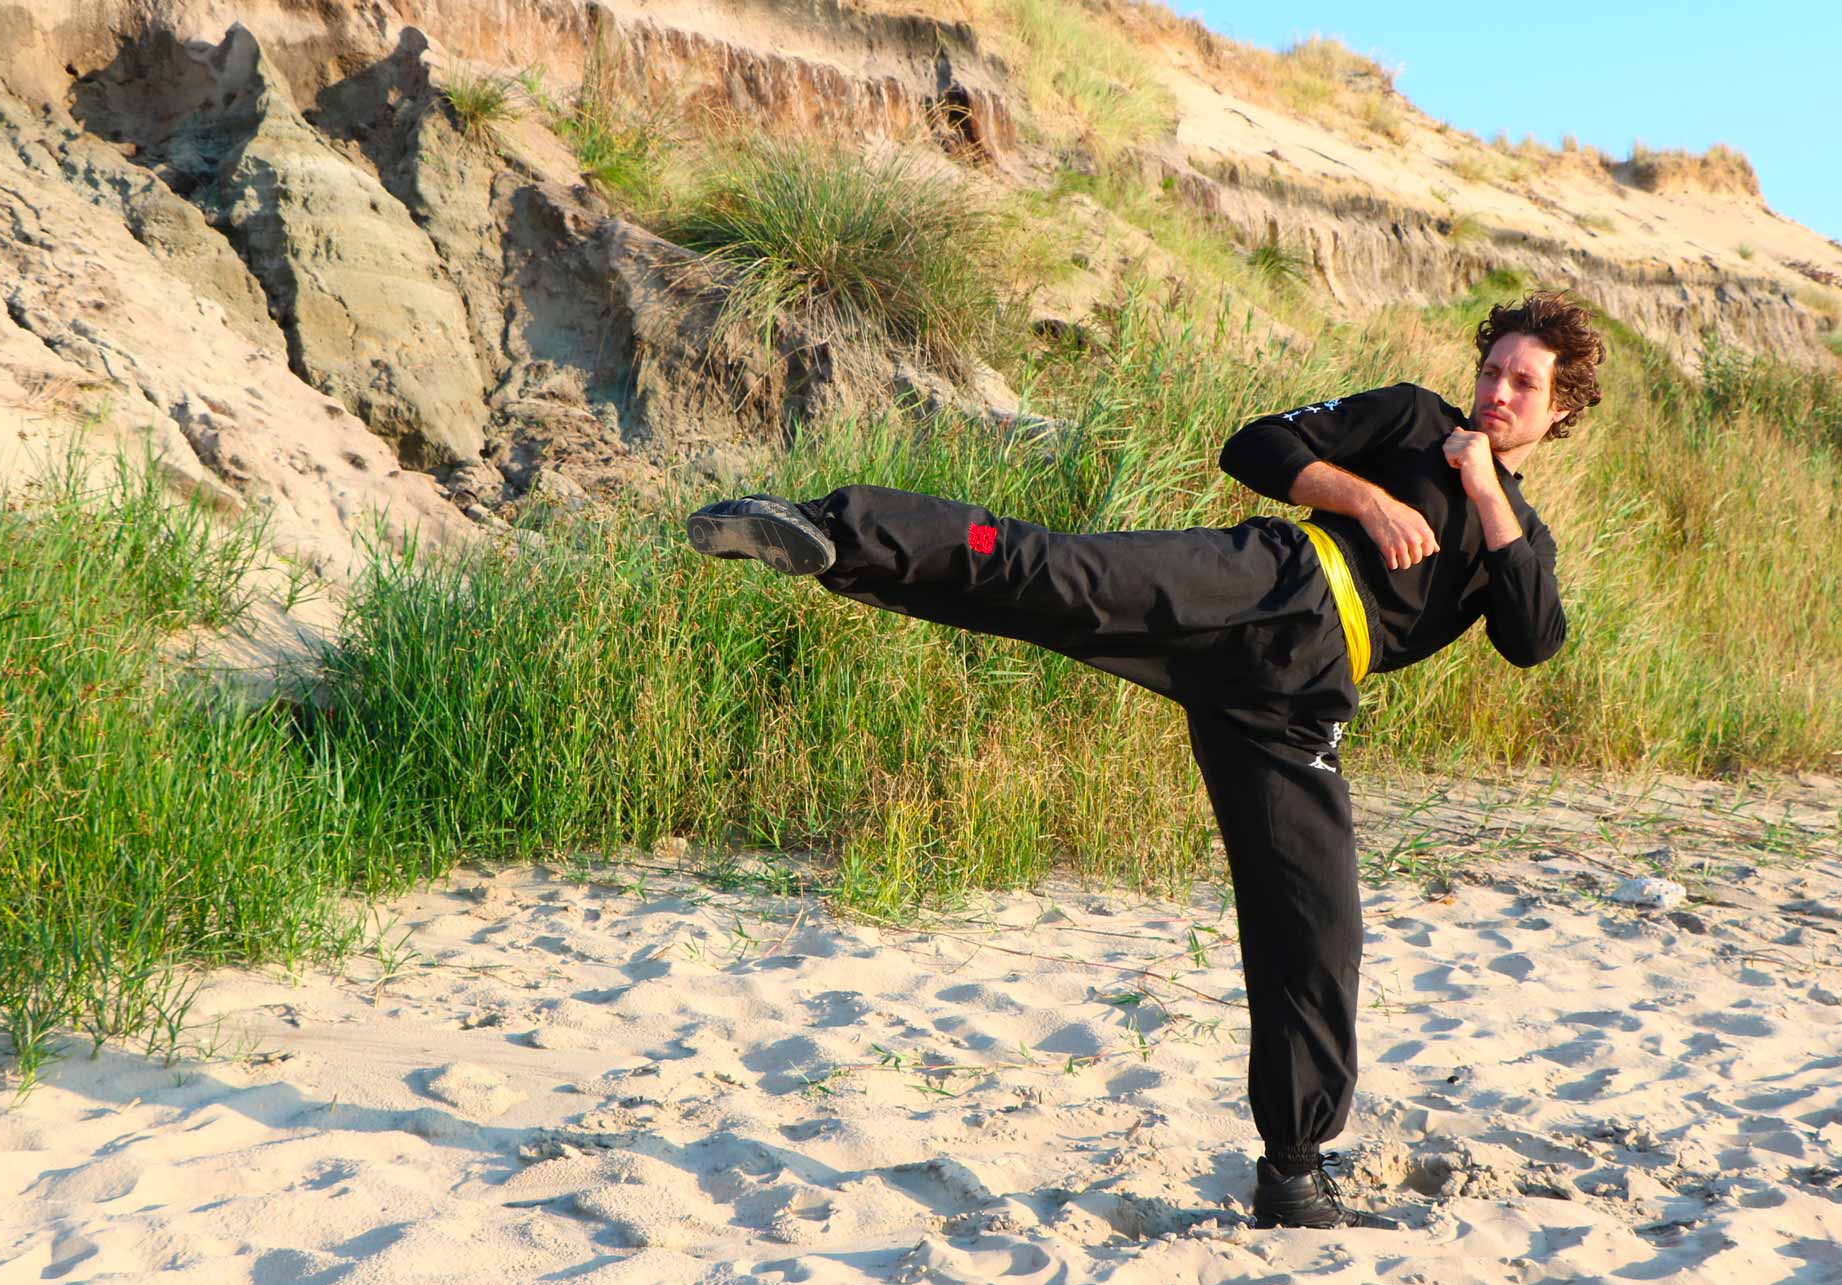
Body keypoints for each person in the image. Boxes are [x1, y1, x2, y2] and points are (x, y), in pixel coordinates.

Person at [684, 291, 1605, 1229]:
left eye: (1521, 383)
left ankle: (1292, 1172)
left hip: (1299, 700)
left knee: (1315, 927)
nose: (1494, 391)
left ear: (1560, 408)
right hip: (1267, 581)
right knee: (1058, 576)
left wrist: (1486, 487)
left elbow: (1532, 641)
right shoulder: (1412, 417)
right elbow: (1256, 444)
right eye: (1491, 368)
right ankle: (832, 531)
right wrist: (1365, 496)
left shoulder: (1516, 539)